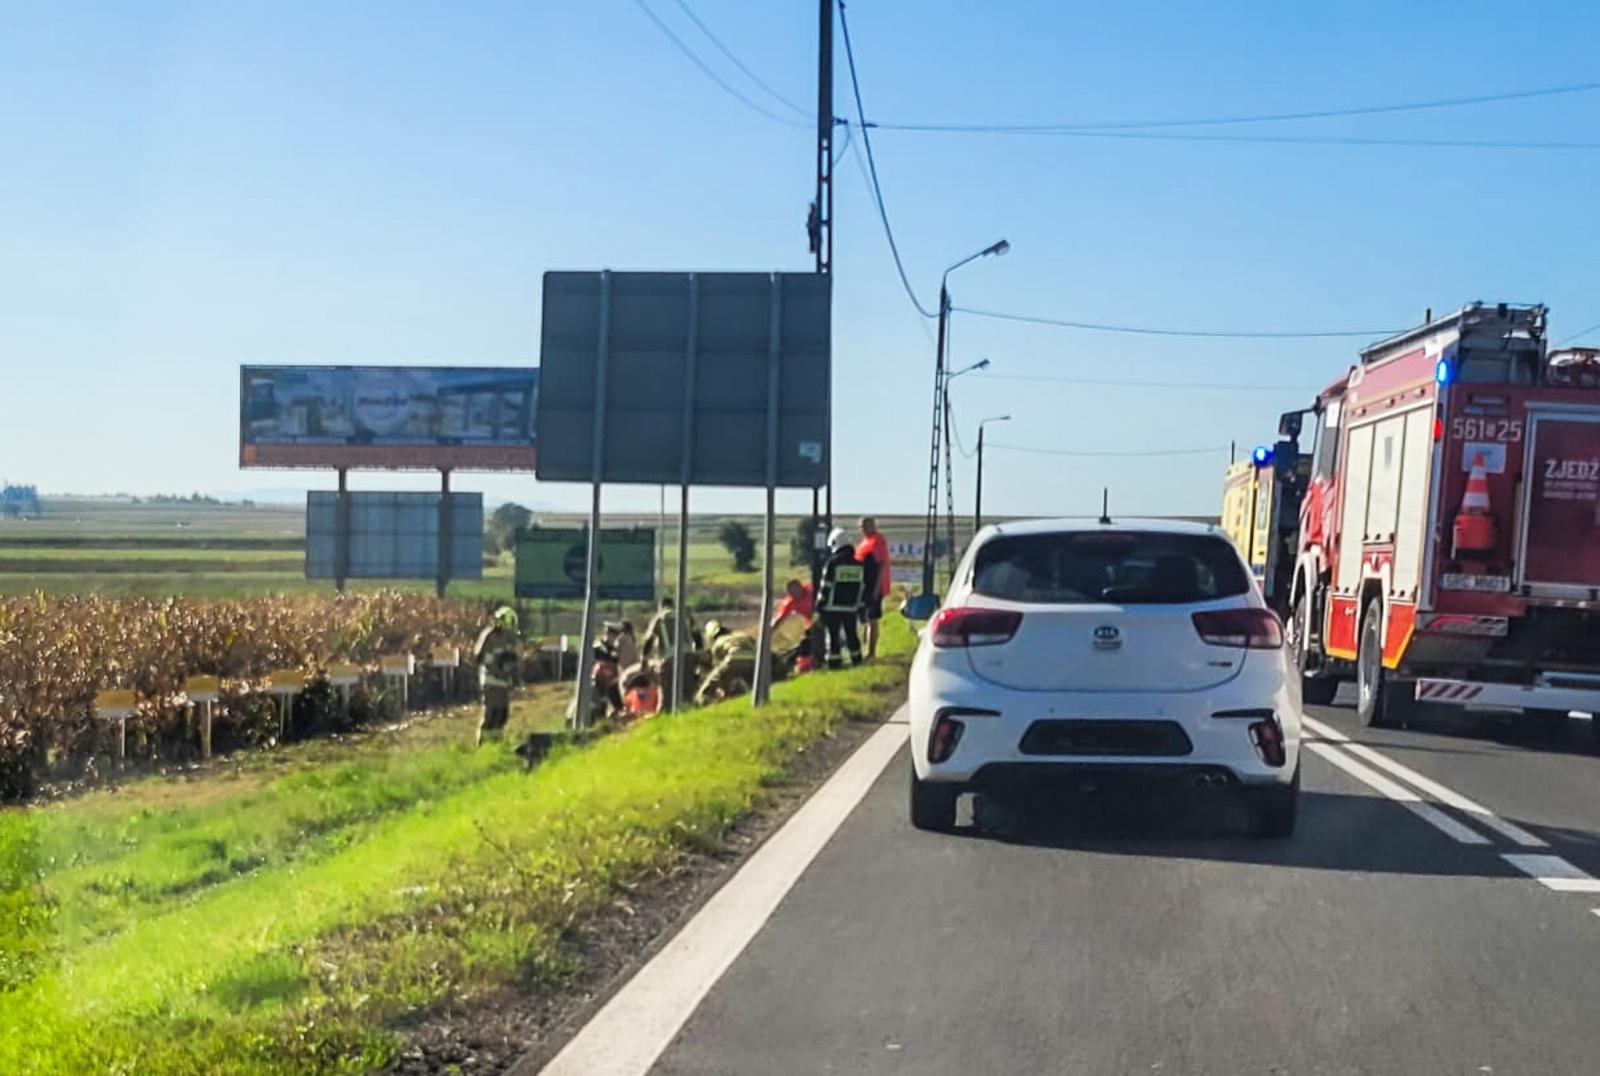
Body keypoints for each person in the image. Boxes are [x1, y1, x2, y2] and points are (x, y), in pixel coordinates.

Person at [471, 606, 521, 746]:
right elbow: (479, 656)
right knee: (490, 714)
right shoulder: (489, 636)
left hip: (503, 682)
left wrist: (514, 677)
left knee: (502, 715)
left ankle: (496, 744)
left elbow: (514, 661)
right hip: (490, 680)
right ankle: (482, 746)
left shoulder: (511, 640)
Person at [819, 527, 866, 668]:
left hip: (832, 606)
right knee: (852, 635)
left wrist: (820, 604)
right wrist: (861, 606)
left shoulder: (832, 563)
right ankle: (857, 660)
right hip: (851, 607)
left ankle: (834, 663)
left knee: (833, 637)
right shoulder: (859, 565)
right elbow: (862, 587)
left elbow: (825, 586)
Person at [694, 620, 761, 706]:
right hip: (753, 660)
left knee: (712, 680)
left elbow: (718, 667)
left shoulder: (718, 643)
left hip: (733, 658)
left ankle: (701, 700)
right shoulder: (741, 635)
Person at [855, 517, 891, 660]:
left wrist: (877, 588)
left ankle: (871, 653)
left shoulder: (877, 540)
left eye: (866, 525)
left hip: (874, 586)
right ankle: (866, 649)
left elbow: (881, 565)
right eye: (862, 526)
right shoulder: (864, 543)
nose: (864, 528)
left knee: (872, 619)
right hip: (864, 586)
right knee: (865, 618)